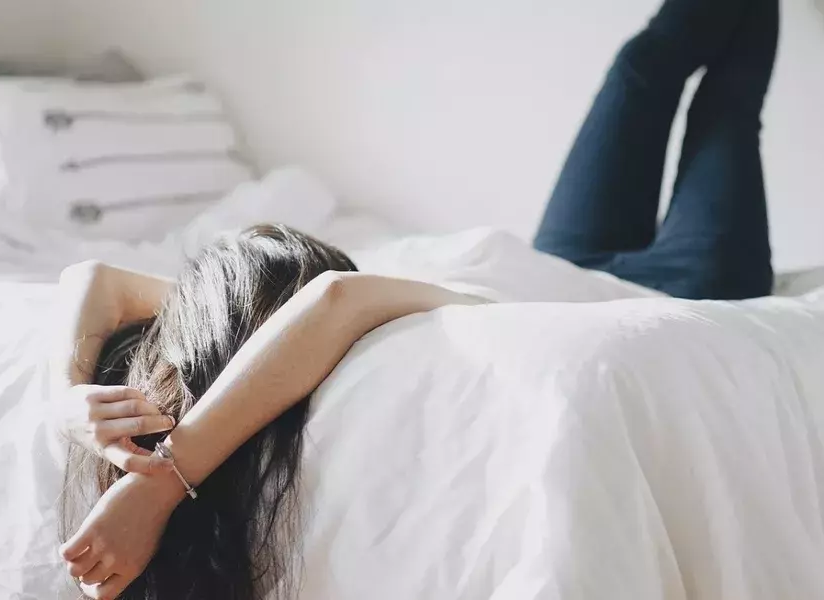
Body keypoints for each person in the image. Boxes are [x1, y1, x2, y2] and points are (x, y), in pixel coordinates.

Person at [56, 0, 779, 598]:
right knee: (728, 105)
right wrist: (161, 485)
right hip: (678, 282)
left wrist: (67, 397)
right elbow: (335, 297)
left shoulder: (268, 324)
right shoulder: (371, 311)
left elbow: (96, 278)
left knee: (640, 68)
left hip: (559, 254)